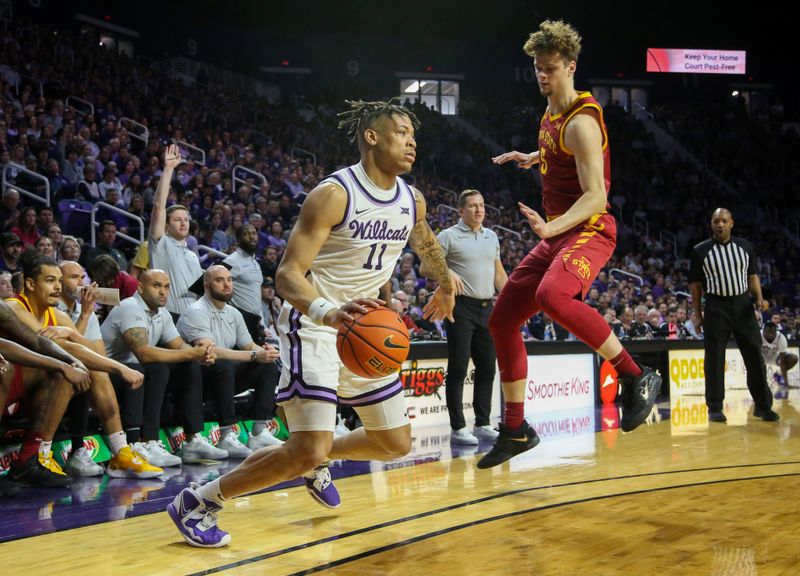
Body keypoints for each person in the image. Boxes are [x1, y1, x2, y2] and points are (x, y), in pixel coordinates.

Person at [168, 98, 455, 547]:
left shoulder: (411, 198)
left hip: (364, 327)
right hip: (315, 323)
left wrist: (446, 283)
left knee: (394, 443)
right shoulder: (335, 193)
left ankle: (319, 457)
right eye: (401, 131)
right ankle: (199, 501)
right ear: (371, 136)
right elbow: (286, 275)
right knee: (305, 449)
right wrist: (328, 311)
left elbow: (425, 242)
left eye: (413, 134)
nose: (412, 141)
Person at [482, 20, 661, 469]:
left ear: (571, 67)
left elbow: (597, 195)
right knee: (502, 320)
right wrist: (535, 156)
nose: (543, 76)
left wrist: (550, 227)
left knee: (551, 295)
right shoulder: (550, 116)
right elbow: (561, 153)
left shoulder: (582, 120)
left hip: (589, 228)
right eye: (538, 69)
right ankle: (516, 429)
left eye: (551, 69)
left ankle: (635, 375)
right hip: (560, 233)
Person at [6, 253, 162, 480]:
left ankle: (121, 452)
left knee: (92, 368)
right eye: (51, 280)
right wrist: (121, 368)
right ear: (30, 284)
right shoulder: (14, 307)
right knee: (68, 368)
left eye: (59, 280)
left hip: (36, 390)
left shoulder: (56, 314)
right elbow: (49, 345)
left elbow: (92, 353)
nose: (57, 286)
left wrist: (73, 329)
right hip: (10, 391)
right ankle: (40, 456)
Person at [101, 269, 216, 465]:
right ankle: (146, 441)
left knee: (188, 367)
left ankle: (192, 439)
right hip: (108, 374)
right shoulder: (130, 307)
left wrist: (201, 354)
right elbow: (143, 353)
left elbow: (179, 345)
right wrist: (191, 353)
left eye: (166, 287)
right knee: (154, 367)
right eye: (156, 286)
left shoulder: (162, 313)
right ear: (140, 287)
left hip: (137, 371)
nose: (163, 292)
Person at [176, 265, 283, 457]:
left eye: (229, 279)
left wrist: (266, 352)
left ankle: (259, 432)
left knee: (267, 366)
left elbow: (249, 346)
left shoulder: (233, 313)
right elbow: (210, 351)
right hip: (195, 381)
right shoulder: (195, 311)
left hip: (224, 378)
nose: (227, 284)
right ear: (207, 286)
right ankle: (226, 435)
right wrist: (253, 355)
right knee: (223, 365)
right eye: (219, 280)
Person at [689, 207, 778, 423]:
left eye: (724, 221)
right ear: (711, 224)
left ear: (731, 223)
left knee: (755, 356)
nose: (720, 225)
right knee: (715, 359)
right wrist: (697, 315)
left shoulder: (745, 246)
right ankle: (715, 407)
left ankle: (763, 406)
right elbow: (696, 286)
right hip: (715, 306)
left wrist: (759, 298)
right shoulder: (700, 251)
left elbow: (753, 275)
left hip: (742, 305)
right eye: (716, 221)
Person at [433, 189, 506, 445]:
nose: (479, 210)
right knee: (458, 367)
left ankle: (483, 423)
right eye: (473, 206)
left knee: (487, 367)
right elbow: (425, 265)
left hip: (488, 308)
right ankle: (458, 427)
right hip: (460, 308)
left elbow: (498, 274)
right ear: (461, 211)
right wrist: (447, 271)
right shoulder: (448, 236)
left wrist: (510, 302)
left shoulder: (492, 236)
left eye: (482, 205)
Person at [148, 145, 202, 320]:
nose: (183, 223)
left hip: (192, 319)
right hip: (166, 316)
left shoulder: (193, 257)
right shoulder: (160, 243)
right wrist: (169, 168)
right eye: (177, 220)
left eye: (186, 219)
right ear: (166, 226)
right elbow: (158, 208)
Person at [761, 321, 798, 387]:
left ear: (776, 332)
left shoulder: (781, 338)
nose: (770, 334)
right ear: (763, 331)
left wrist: (786, 384)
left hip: (775, 357)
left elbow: (783, 361)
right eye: (768, 332)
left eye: (772, 332)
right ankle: (759, 384)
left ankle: (778, 374)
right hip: (762, 357)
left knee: (793, 359)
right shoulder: (758, 336)